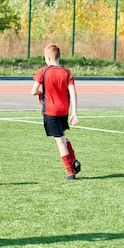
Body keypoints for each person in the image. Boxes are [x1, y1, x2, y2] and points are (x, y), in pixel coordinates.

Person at [30, 44, 81, 180]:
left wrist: (41, 92)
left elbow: (33, 91)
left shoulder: (43, 71)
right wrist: (74, 112)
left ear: (47, 57)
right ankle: (74, 160)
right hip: (63, 111)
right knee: (62, 136)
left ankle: (70, 172)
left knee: (59, 141)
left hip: (50, 111)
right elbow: (73, 92)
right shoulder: (67, 72)